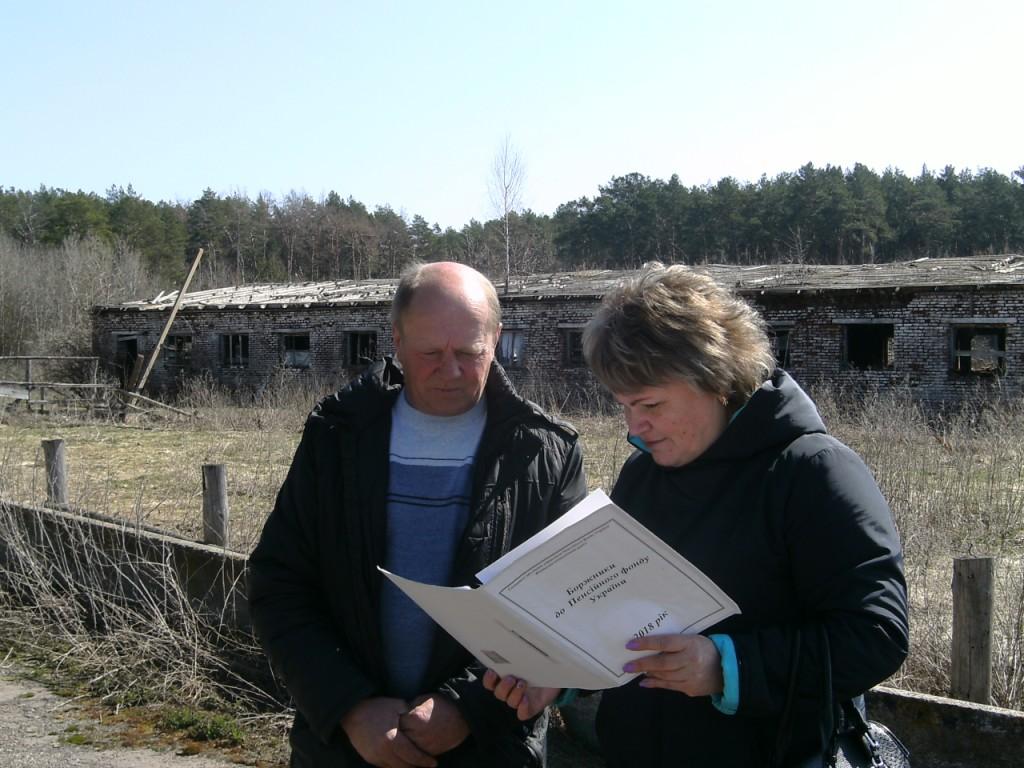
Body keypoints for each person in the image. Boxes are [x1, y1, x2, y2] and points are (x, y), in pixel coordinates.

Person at [485, 263, 909, 766]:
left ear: (714, 378)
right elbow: (616, 618)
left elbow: (877, 634)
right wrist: (561, 674)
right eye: (623, 405)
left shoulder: (812, 471)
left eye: (651, 404)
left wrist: (727, 667)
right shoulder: (643, 475)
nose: (635, 426)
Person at [248, 261, 587, 768]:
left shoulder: (545, 451)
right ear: (397, 340)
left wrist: (465, 707)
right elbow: (280, 583)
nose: (450, 371)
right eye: (430, 353)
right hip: (345, 749)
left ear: (496, 338)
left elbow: (566, 606)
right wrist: (349, 705)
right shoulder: (337, 436)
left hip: (490, 749)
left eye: (469, 353)